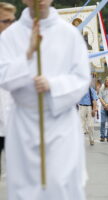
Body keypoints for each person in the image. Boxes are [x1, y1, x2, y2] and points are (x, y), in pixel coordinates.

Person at [0, 0, 91, 199]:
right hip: (23, 124)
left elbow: (82, 78)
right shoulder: (9, 36)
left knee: (59, 183)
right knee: (25, 189)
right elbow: (3, 76)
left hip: (60, 125)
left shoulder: (69, 34)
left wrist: (54, 85)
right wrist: (28, 55)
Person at [0, 2, 16, 179]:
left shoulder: (16, 48)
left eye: (13, 21)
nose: (11, 26)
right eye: (6, 21)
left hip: (12, 120)